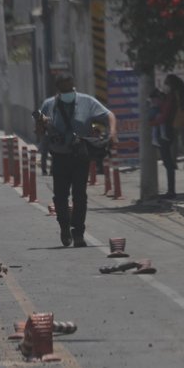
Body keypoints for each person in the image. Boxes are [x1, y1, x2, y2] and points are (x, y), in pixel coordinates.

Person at [36, 73, 117, 247]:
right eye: (64, 88)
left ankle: (78, 232)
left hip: (80, 156)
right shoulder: (49, 105)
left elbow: (109, 115)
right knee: (60, 196)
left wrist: (112, 134)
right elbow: (40, 133)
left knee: (80, 195)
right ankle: (64, 227)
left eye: (70, 86)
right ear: (58, 89)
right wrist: (42, 123)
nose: (69, 90)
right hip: (59, 157)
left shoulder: (86, 101)